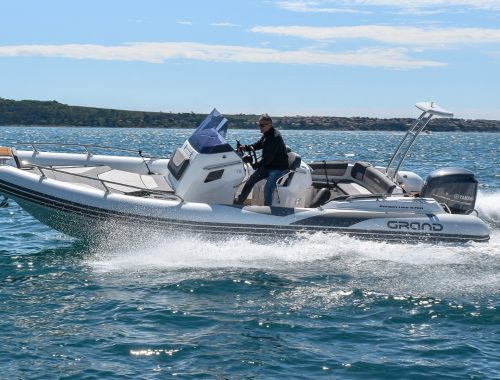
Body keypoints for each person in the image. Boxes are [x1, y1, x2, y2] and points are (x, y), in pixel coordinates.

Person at [236, 114, 289, 206]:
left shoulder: (274, 137)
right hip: (268, 166)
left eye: (262, 125)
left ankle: (267, 210)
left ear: (270, 125)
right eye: (259, 125)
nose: (260, 127)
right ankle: (239, 202)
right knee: (250, 181)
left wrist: (256, 165)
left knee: (267, 189)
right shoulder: (267, 134)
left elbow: (268, 158)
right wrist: (244, 148)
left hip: (278, 168)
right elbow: (258, 145)